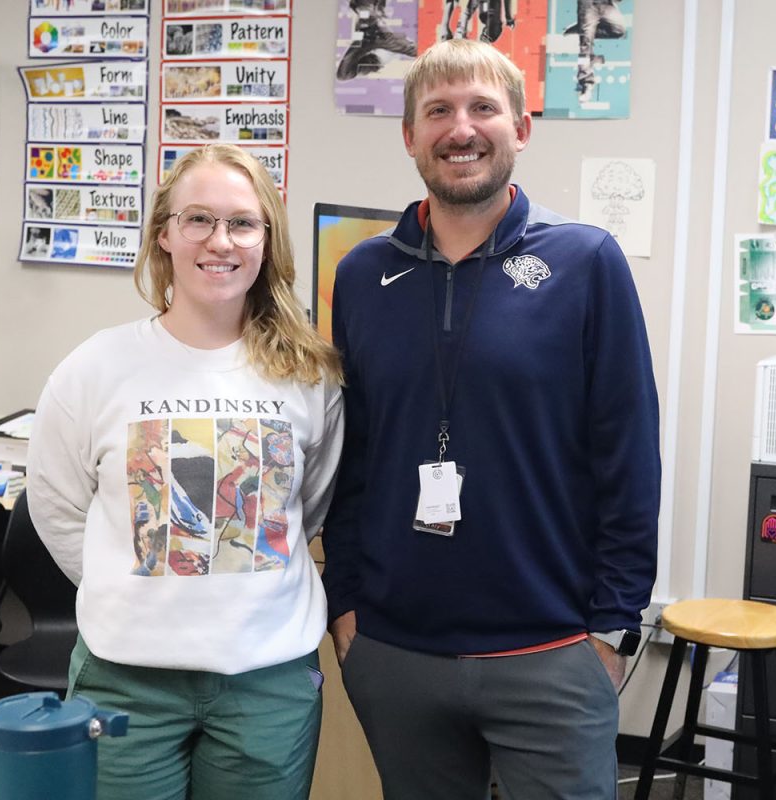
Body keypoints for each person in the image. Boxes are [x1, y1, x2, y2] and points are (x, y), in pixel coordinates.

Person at [321, 38, 660, 800]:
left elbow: (629, 453)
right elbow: (354, 455)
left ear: (522, 128)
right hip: (395, 650)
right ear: (410, 135)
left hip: (550, 648)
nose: (460, 128)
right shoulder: (363, 275)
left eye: (483, 108)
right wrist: (346, 610)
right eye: (437, 111)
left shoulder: (585, 262)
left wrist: (611, 631)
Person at [27, 143, 344, 800]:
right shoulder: (95, 368)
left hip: (267, 683)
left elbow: (307, 506)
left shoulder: (309, 376)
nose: (219, 241)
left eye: (242, 223)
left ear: (266, 240)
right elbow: (56, 508)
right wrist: (136, 584)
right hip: (126, 677)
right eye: (198, 219)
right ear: (165, 235)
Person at [336, 0, 417, 81]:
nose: (362, 12)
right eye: (360, 9)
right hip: (369, 48)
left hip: (378, 49)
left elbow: (415, 50)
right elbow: (343, 74)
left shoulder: (386, 38)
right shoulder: (363, 26)